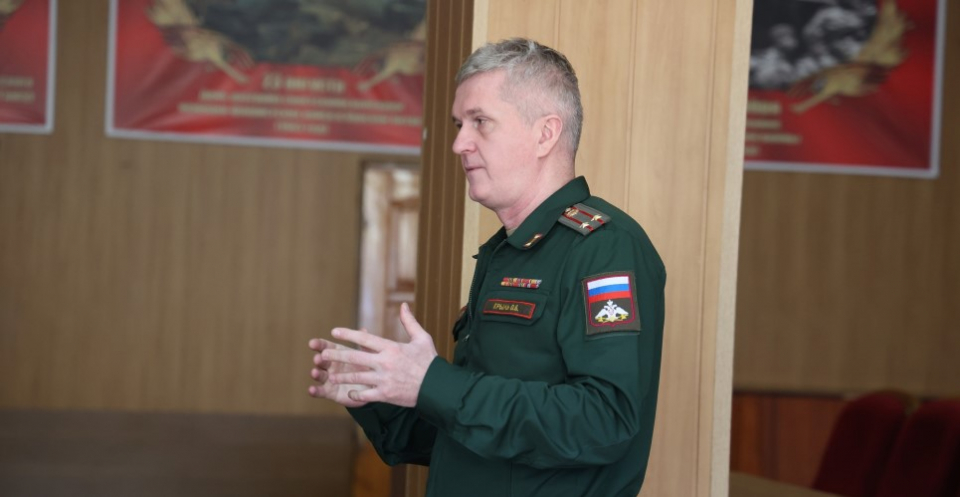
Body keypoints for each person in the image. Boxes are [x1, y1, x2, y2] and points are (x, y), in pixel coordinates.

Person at [308, 37, 665, 497]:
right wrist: (378, 392)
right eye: (459, 124)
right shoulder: (507, 251)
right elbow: (471, 435)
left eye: (481, 122)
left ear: (545, 134)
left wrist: (433, 382)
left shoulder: (605, 249)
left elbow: (603, 422)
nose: (459, 143)